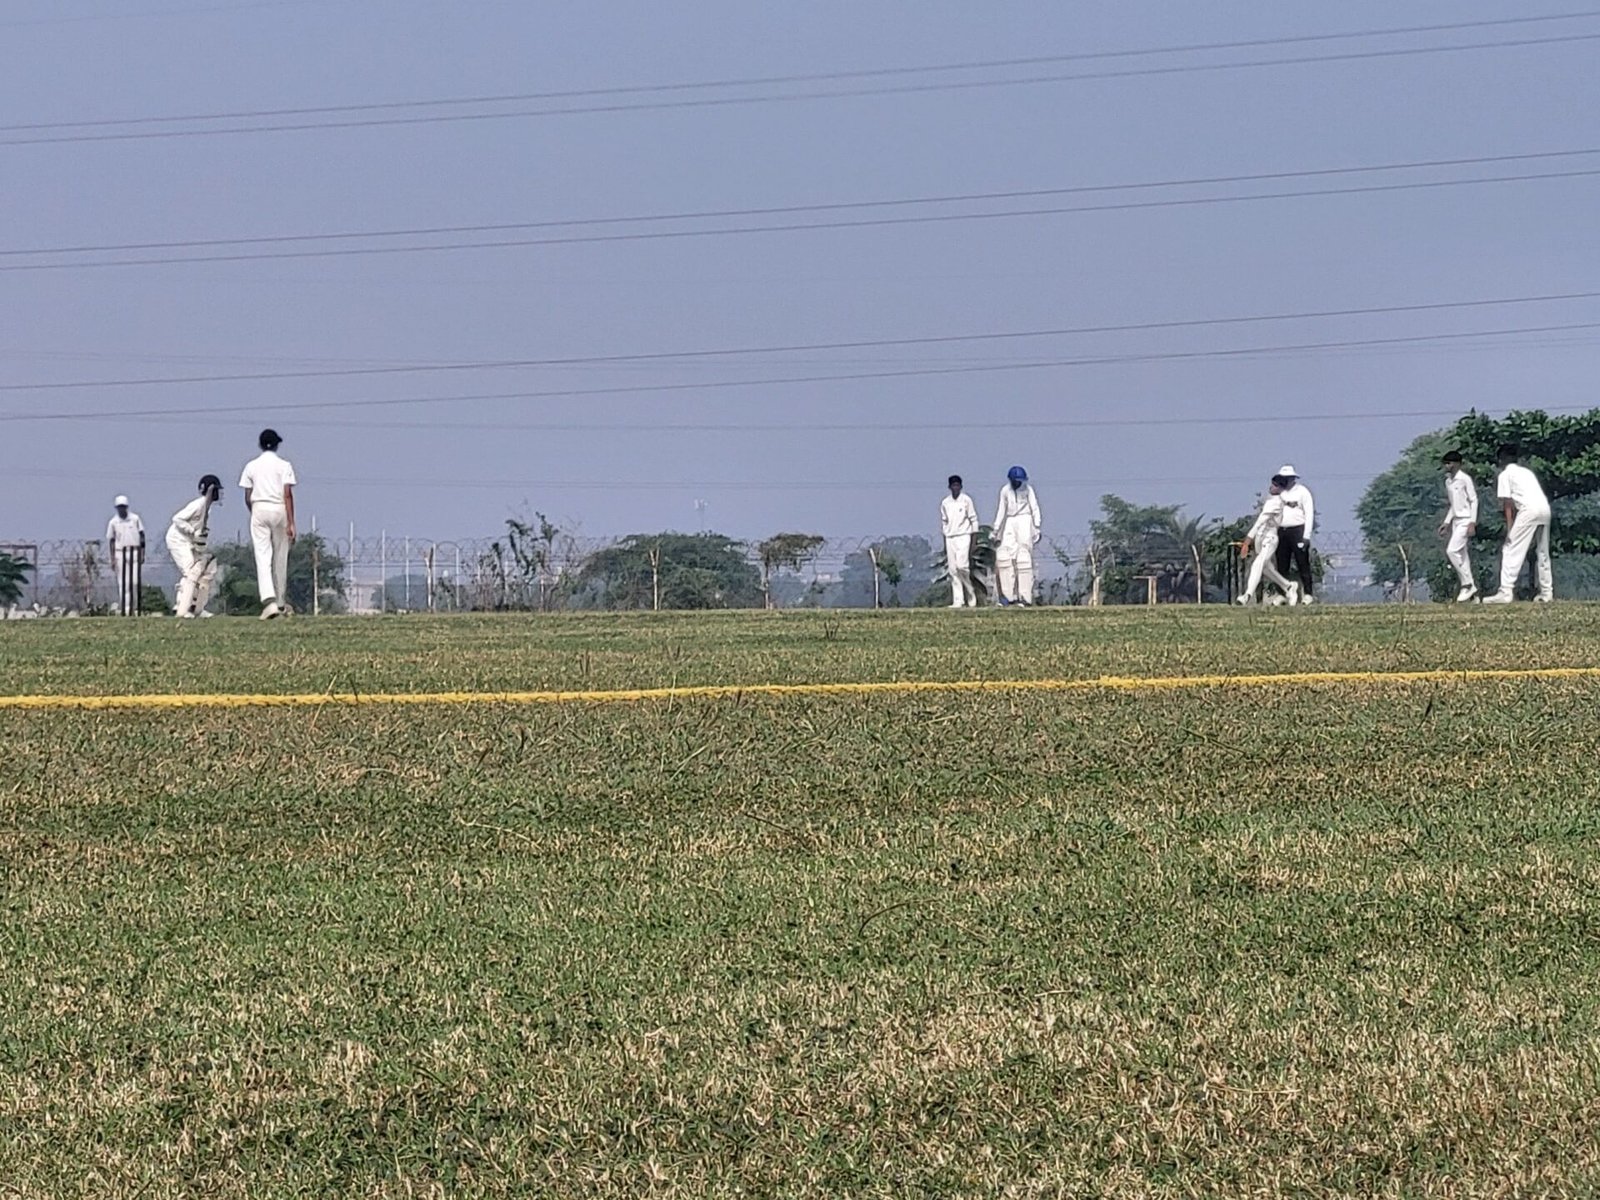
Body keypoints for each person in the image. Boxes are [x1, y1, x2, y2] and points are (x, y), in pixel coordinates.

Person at [1482, 443, 1553, 604]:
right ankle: (1547, 593)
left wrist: (1509, 529)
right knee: (1543, 552)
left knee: (1510, 549)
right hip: (1544, 508)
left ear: (1501, 459)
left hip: (1528, 510)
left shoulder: (1505, 475)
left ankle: (1505, 591)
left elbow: (1508, 503)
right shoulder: (1526, 472)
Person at [239, 428, 297, 619]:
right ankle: (280, 602)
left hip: (259, 507)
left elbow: (247, 495)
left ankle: (269, 601)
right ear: (277, 445)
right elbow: (287, 494)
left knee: (262, 555)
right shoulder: (284, 465)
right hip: (279, 508)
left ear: (260, 445)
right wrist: (291, 523)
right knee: (281, 556)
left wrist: (254, 512)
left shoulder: (251, 466)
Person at [1236, 475, 1299, 605]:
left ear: (1281, 488)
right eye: (1272, 484)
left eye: (1275, 485)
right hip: (1261, 538)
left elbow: (1260, 521)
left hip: (1269, 539)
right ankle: (1288, 586)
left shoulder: (1274, 502)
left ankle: (1247, 595)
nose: (1271, 487)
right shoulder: (1276, 500)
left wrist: (1247, 541)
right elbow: (1284, 501)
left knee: (1257, 564)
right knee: (1266, 569)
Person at [166, 475, 222, 619]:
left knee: (203, 573)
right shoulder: (198, 504)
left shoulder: (207, 508)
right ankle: (181, 606)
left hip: (189, 542)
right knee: (190, 572)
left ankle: (197, 608)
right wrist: (191, 531)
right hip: (177, 539)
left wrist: (199, 541)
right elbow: (177, 519)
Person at [992, 465, 1042, 606]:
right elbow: (1001, 510)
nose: (1018, 483)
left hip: (1025, 520)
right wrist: (996, 529)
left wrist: (1036, 526)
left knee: (1023, 559)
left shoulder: (1028, 490)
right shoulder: (1005, 491)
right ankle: (1008, 597)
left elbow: (1034, 507)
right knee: (1005, 558)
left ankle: (1025, 597)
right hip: (1010, 520)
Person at [1437, 450, 1479, 602]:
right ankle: (1473, 595)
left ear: (1458, 464)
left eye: (1450, 463)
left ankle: (1467, 584)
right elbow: (1453, 505)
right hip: (1456, 521)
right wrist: (1446, 522)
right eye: (1446, 463)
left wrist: (1472, 522)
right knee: (1462, 557)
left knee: (1452, 551)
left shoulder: (1464, 479)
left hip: (1466, 519)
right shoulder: (1448, 481)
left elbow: (1474, 500)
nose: (1447, 466)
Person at [1274, 465, 1316, 604]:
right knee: (1281, 564)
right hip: (1281, 530)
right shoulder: (1279, 492)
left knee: (1302, 563)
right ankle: (1281, 593)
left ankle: (1308, 593)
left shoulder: (1303, 492)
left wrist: (1306, 536)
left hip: (1297, 530)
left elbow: (1309, 514)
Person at [939, 474, 980, 607]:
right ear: (949, 487)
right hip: (950, 537)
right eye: (953, 485)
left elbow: (973, 520)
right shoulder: (945, 503)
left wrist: (974, 539)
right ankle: (958, 600)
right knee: (953, 570)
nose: (955, 488)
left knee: (962, 566)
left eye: (957, 485)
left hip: (964, 535)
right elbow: (944, 522)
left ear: (961, 486)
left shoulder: (966, 500)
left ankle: (970, 592)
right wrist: (945, 539)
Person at [106, 495, 146, 616]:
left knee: (134, 582)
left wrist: (143, 553)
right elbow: (111, 540)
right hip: (120, 553)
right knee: (123, 583)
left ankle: (136, 607)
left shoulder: (135, 519)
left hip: (134, 551)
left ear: (127, 507)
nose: (121, 509)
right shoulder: (113, 522)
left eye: (123, 507)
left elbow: (142, 535)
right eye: (119, 507)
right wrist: (112, 558)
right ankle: (127, 608)